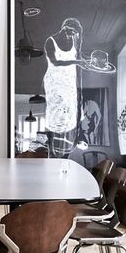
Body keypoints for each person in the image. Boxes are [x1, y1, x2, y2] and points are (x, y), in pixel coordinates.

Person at [42, 17, 83, 157]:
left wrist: (82, 62)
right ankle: (52, 152)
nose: (73, 35)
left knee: (69, 119)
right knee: (56, 119)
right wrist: (76, 61)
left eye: (75, 34)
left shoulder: (74, 41)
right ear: (65, 27)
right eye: (72, 32)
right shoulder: (50, 41)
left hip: (69, 84)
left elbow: (78, 58)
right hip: (55, 85)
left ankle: (66, 154)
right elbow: (55, 62)